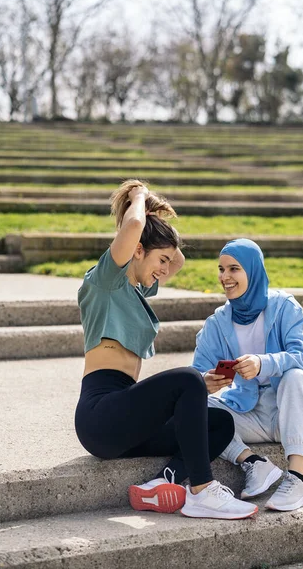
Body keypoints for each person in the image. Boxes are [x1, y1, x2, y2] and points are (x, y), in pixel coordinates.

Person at [74, 180, 258, 520]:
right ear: (137, 250)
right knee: (188, 379)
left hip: (126, 420)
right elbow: (132, 227)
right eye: (159, 259)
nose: (165, 269)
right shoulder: (104, 282)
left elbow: (178, 261)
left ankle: (161, 483)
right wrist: (138, 196)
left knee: (218, 423)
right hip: (100, 417)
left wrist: (156, 222)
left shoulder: (136, 290)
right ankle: (203, 491)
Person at [192, 238, 303, 512]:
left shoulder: (284, 307)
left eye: (234, 269)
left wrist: (263, 363)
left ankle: (296, 477)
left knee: (295, 376)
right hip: (251, 414)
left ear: (253, 270)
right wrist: (205, 381)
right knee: (192, 402)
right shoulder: (217, 323)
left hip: (297, 410)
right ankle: (253, 462)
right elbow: (196, 371)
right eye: (221, 270)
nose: (225, 277)